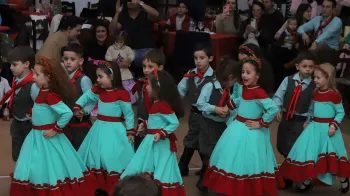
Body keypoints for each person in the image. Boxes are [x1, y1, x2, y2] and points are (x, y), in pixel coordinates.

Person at [10, 56, 96, 195]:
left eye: (37, 75)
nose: (33, 78)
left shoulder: (50, 95)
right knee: (36, 165)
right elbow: (46, 111)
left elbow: (67, 113)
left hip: (46, 138)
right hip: (36, 136)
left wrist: (56, 128)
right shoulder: (42, 92)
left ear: (48, 77)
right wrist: (34, 116)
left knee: (48, 166)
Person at [203, 56, 284, 196]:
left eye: (248, 72)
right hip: (238, 126)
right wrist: (231, 105)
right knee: (233, 157)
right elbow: (243, 99)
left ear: (257, 75)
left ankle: (246, 188)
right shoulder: (246, 88)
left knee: (248, 159)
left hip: (251, 130)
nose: (244, 75)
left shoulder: (259, 92)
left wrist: (261, 122)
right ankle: (234, 187)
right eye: (243, 72)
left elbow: (273, 109)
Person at [280, 63, 350, 193]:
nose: (315, 80)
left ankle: (344, 179)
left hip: (328, 130)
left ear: (327, 78)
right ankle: (306, 181)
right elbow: (313, 110)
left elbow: (340, 112)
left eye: (318, 77)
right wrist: (309, 120)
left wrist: (334, 125)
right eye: (314, 77)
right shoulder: (316, 93)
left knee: (335, 156)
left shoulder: (334, 95)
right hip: (314, 128)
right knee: (310, 154)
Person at [73, 61, 135, 195]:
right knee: (95, 156)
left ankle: (112, 187)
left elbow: (129, 113)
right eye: (97, 76)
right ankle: (99, 186)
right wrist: (78, 106)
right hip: (99, 129)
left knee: (111, 156)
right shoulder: (98, 91)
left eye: (101, 76)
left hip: (115, 131)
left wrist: (130, 131)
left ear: (111, 77)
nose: (98, 80)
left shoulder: (122, 93)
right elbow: (87, 96)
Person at [121, 70, 185, 196]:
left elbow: (174, 123)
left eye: (148, 85)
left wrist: (162, 133)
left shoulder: (162, 105)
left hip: (160, 144)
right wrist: (145, 124)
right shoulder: (156, 104)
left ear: (157, 88)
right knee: (147, 167)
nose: (146, 87)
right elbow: (156, 121)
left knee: (161, 170)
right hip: (151, 142)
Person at [195, 57, 241, 191]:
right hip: (208, 124)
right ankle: (203, 181)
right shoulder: (210, 86)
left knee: (217, 154)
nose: (236, 83)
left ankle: (211, 181)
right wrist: (215, 109)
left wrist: (228, 113)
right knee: (208, 152)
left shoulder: (229, 91)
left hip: (221, 126)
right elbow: (200, 104)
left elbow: (231, 106)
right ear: (231, 77)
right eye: (236, 80)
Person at [273, 51, 316, 188]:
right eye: (305, 66)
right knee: (282, 145)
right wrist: (277, 109)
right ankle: (290, 173)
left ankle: (299, 178)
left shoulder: (314, 86)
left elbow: (313, 106)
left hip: (301, 120)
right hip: (286, 118)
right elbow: (278, 96)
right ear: (297, 66)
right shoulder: (288, 80)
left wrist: (309, 120)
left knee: (296, 149)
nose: (308, 69)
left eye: (311, 67)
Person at [177, 44, 215, 179]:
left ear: (210, 58)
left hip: (208, 115)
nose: (198, 61)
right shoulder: (190, 74)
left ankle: (186, 166)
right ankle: (200, 167)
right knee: (194, 137)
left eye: (202, 58)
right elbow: (179, 91)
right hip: (193, 113)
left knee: (202, 139)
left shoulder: (214, 77)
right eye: (195, 58)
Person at [0, 46, 39, 162]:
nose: (11, 68)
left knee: (30, 155)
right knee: (17, 155)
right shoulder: (16, 79)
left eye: (15, 65)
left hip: (30, 126)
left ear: (26, 64)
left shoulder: (33, 84)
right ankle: (20, 177)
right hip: (17, 122)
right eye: (10, 64)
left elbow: (41, 104)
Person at [109, 0, 159, 77]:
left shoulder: (145, 14)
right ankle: (129, 83)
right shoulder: (123, 16)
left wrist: (141, 3)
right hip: (131, 51)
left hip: (147, 49)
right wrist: (117, 13)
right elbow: (112, 30)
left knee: (151, 59)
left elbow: (156, 15)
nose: (130, 0)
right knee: (120, 58)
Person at [131, 49, 165, 151]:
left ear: (160, 68)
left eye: (150, 67)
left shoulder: (160, 87)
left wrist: (147, 123)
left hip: (154, 125)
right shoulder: (143, 83)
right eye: (144, 66)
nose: (145, 70)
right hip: (141, 122)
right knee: (138, 149)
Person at [61, 43, 94, 150]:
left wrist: (84, 111)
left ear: (80, 61)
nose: (68, 62)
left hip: (80, 123)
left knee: (80, 150)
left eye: (72, 59)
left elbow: (92, 99)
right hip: (66, 122)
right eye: (66, 59)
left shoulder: (84, 79)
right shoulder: (63, 78)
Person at [105, 31, 137, 103]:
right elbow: (107, 56)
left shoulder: (127, 48)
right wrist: (112, 60)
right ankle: (117, 100)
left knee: (127, 86)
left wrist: (129, 59)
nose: (119, 43)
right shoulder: (111, 48)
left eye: (121, 41)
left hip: (125, 71)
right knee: (116, 86)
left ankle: (129, 100)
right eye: (117, 41)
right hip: (115, 70)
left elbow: (132, 55)